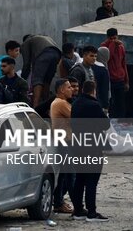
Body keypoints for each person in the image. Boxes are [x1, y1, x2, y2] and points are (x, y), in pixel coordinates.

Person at [70, 80, 110, 222]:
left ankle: (78, 210)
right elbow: (105, 124)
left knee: (80, 179)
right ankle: (91, 212)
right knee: (92, 180)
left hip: (78, 145)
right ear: (93, 90)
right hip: (93, 147)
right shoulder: (94, 105)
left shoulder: (75, 104)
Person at [50, 78, 75, 215]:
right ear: (61, 90)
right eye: (69, 87)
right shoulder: (61, 103)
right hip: (64, 142)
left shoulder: (61, 102)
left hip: (64, 141)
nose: (72, 89)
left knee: (64, 175)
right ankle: (76, 204)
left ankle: (59, 202)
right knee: (71, 175)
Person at [20, 34, 61, 107]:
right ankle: (46, 103)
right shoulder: (43, 37)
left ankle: (36, 105)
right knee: (47, 80)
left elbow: (26, 64)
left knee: (37, 79)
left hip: (44, 54)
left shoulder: (26, 43)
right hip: (57, 54)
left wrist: (22, 79)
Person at [101, 28, 130, 118]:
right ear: (107, 38)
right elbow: (109, 57)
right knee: (111, 102)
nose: (113, 40)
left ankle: (121, 120)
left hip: (120, 79)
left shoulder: (121, 47)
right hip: (110, 79)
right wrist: (113, 44)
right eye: (111, 39)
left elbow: (123, 64)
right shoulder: (104, 47)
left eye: (115, 38)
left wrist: (126, 81)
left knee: (120, 102)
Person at [93, 47, 111, 112]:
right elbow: (104, 89)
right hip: (99, 102)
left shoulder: (91, 65)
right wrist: (106, 106)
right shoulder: (103, 70)